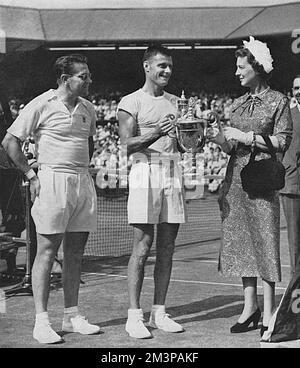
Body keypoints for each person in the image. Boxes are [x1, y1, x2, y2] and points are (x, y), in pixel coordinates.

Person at [2, 54, 100, 344]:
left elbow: (88, 142)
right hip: (50, 180)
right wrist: (32, 176)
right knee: (46, 251)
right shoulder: (41, 104)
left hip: (82, 180)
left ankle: (71, 316)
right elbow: (10, 142)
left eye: (88, 75)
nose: (89, 80)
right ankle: (41, 322)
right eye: (83, 76)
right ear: (64, 79)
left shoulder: (89, 108)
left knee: (74, 253)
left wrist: (80, 173)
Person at [213, 36, 292, 337]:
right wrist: (217, 136)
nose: (237, 72)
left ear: (257, 67)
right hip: (235, 182)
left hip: (262, 180)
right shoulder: (236, 105)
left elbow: (283, 140)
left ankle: (269, 312)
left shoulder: (278, 101)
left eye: (241, 66)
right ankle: (250, 308)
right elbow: (228, 148)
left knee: (265, 242)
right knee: (242, 244)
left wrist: (247, 138)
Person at [117, 44, 186, 339]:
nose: (167, 71)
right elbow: (126, 144)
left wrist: (190, 134)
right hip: (145, 170)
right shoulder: (130, 101)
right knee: (143, 245)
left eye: (169, 66)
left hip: (172, 169)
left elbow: (184, 145)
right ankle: (134, 315)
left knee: (168, 248)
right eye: (161, 66)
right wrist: (158, 131)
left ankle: (159, 311)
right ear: (147, 67)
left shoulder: (177, 102)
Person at [280, 75, 300, 277]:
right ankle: (297, 287)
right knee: (295, 240)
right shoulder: (287, 115)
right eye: (296, 88)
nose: (299, 91)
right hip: (292, 185)